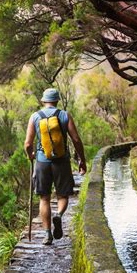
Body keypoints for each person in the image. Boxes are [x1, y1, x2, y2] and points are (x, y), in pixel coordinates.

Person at [24, 88, 87, 245]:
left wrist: (30, 155)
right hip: (61, 161)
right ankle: (58, 214)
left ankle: (47, 235)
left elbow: (27, 144)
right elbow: (76, 140)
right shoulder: (64, 115)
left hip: (41, 162)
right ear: (57, 100)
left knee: (44, 198)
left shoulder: (35, 116)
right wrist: (82, 160)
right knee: (63, 195)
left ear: (43, 101)